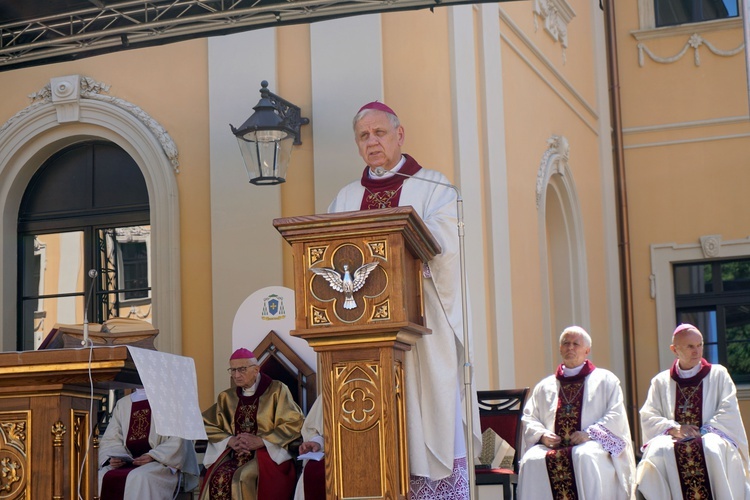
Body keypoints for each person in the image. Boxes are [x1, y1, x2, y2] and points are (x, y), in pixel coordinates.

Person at [328, 101, 481, 498]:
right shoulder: (345, 198)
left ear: (400, 135)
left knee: (426, 414)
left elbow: (446, 249)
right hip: (363, 337)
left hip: (422, 328)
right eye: (364, 136)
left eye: (380, 133)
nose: (372, 141)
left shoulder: (434, 187)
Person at [517, 326, 636, 500]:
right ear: (560, 349)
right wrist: (542, 435)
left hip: (593, 444)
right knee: (531, 460)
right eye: (566, 343)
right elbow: (529, 417)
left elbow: (615, 415)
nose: (570, 347)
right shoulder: (545, 386)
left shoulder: (605, 380)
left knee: (583, 456)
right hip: (553, 446)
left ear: (587, 350)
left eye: (576, 344)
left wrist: (589, 434)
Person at [636, 323, 750, 499]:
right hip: (672, 436)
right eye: (690, 346)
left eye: (700, 345)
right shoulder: (661, 381)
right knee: (658, 451)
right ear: (675, 349)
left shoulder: (718, 374)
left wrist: (703, 431)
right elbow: (648, 415)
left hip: (712, 434)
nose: (697, 351)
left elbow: (728, 410)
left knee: (711, 448)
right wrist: (674, 428)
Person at [199, 347, 305, 500]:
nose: (236, 375)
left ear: (256, 369)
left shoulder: (277, 390)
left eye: (241, 369)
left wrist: (262, 441)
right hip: (235, 453)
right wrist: (230, 440)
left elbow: (294, 421)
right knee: (218, 475)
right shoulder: (227, 398)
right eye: (233, 370)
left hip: (267, 453)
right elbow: (204, 423)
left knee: (241, 477)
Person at [98, 387, 200, 499]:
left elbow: (180, 437)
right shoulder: (123, 404)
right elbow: (111, 437)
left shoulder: (170, 401)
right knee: (100, 476)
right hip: (127, 461)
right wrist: (116, 457)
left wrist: (153, 455)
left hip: (160, 462)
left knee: (141, 477)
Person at [293, 397, 325, 500]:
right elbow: (313, 430)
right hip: (335, 455)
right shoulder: (332, 391)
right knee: (313, 472)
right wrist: (318, 442)